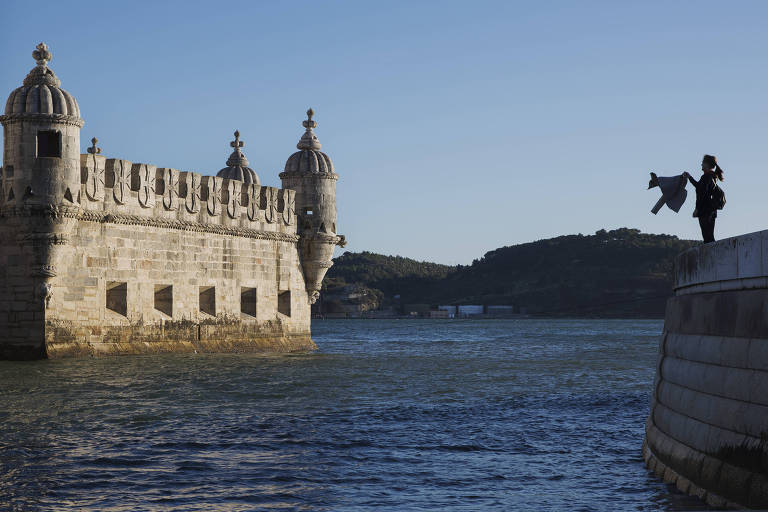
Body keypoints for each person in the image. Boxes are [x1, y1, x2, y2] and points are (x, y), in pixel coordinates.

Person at [683, 155, 724, 243]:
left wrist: (697, 209)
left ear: (707, 164)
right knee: (709, 236)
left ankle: (711, 255)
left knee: (707, 237)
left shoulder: (707, 177)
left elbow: (702, 193)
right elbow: (700, 188)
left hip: (705, 210)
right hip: (711, 210)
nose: (701, 164)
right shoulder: (711, 176)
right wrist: (689, 177)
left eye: (703, 163)